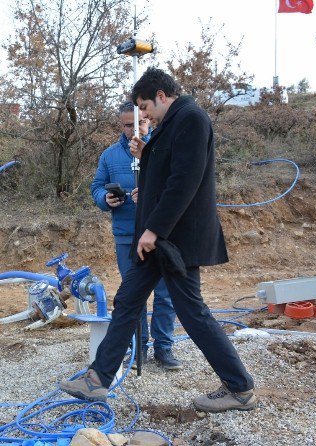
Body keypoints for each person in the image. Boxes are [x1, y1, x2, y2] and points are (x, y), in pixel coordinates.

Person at [61, 68, 256, 413]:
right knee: (128, 299)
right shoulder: (174, 122)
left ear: (162, 96)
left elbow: (184, 181)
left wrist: (154, 230)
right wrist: (144, 155)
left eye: (145, 106)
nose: (143, 115)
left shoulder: (192, 119)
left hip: (173, 239)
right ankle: (98, 378)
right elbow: (168, 170)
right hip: (157, 239)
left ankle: (239, 387)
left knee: (191, 311)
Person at [90, 101, 181, 370]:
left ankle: (164, 347)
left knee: (165, 293)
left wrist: (152, 195)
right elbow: (96, 187)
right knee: (133, 294)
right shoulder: (109, 156)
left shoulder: (165, 149)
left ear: (149, 120)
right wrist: (105, 198)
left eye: (139, 123)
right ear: (121, 125)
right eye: (128, 125)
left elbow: (179, 186)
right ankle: (138, 347)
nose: (134, 130)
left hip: (161, 233)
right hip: (127, 235)